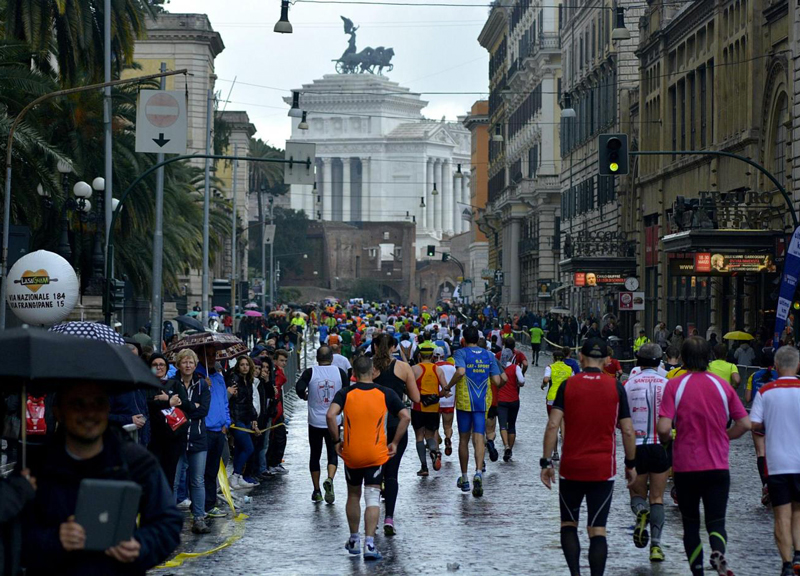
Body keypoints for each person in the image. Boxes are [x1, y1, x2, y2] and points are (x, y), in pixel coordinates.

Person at [22, 382, 182, 575]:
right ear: (58, 411)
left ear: (107, 408)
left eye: (97, 403)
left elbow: (168, 521)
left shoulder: (134, 460)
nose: (89, 413)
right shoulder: (37, 464)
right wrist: (53, 540)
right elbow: (13, 532)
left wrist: (141, 546)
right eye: (78, 405)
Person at [541, 337, 638, 576]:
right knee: (598, 530)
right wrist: (631, 464)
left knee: (568, 524)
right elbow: (627, 429)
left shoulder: (568, 385)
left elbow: (553, 425)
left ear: (581, 358)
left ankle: (575, 573)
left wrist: (545, 462)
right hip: (602, 469)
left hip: (571, 467)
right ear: (607, 360)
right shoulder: (616, 387)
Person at [657, 336, 751, 576]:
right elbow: (744, 423)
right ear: (708, 357)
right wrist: (723, 436)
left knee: (690, 523)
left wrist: (668, 441)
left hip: (686, 467)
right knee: (716, 520)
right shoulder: (722, 385)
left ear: (684, 358)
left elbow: (664, 429)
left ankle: (697, 571)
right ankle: (718, 551)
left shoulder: (675, 385)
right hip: (717, 466)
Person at [326, 355, 411, 561]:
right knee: (372, 496)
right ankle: (370, 544)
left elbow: (330, 415)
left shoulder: (345, 393)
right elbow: (406, 416)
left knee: (353, 495)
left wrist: (336, 441)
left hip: (352, 453)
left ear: (353, 373)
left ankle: (354, 539)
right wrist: (395, 443)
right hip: (375, 453)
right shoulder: (385, 393)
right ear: (374, 371)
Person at [749, 345, 800, 576]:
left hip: (777, 463)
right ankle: (799, 553)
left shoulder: (765, 391)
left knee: (781, 514)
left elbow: (754, 424)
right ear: (798, 365)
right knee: (799, 511)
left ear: (776, 367)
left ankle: (787, 565)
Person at [623, 343, 670, 562]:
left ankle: (641, 512)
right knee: (658, 497)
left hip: (636, 447)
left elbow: (619, 422)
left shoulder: (628, 384)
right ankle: (656, 546)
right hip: (660, 445)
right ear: (660, 361)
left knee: (637, 496)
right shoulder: (667, 384)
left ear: (638, 361)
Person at [443, 326, 501, 498]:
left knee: (463, 439)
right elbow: (497, 381)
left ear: (464, 340)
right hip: (482, 401)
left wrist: (447, 386)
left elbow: (460, 372)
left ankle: (465, 478)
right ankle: (478, 472)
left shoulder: (460, 354)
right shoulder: (489, 355)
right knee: (479, 437)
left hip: (464, 401)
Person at [371, 333, 420, 536]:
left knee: (373, 474)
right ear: (394, 347)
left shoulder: (368, 367)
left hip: (372, 426)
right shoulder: (403, 367)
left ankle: (371, 519)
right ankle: (389, 518)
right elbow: (415, 397)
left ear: (374, 347)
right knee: (392, 473)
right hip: (396, 425)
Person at [295, 346, 349, 503]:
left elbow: (299, 387)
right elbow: (347, 392)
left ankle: (317, 490)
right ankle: (330, 479)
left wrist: (304, 396)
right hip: (334, 420)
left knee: (315, 454)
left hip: (315, 421)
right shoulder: (340, 372)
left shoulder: (310, 372)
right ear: (331, 358)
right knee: (333, 452)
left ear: (317, 359)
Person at [171, 348, 212, 533]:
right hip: (176, 438)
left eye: (191, 362)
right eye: (184, 362)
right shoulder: (172, 384)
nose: (187, 365)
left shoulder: (202, 384)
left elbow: (203, 410)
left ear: (195, 365)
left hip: (198, 437)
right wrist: (189, 407)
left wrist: (183, 408)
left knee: (197, 480)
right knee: (174, 480)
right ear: (178, 364)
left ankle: (199, 518)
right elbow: (170, 411)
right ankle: (169, 520)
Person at [198, 344, 230, 519]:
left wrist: (227, 422)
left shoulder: (218, 376)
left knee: (212, 470)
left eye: (213, 355)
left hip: (219, 430)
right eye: (207, 355)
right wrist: (203, 385)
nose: (211, 358)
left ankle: (210, 504)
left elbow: (224, 402)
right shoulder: (199, 376)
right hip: (205, 430)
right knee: (200, 472)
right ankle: (202, 505)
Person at [745, 349, 778, 505]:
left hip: (758, 419)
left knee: (761, 453)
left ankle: (765, 484)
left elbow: (747, 397)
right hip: (776, 419)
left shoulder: (753, 376)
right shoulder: (779, 376)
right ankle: (775, 484)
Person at [411, 342, 444, 476]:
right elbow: (445, 388)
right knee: (430, 435)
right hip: (433, 408)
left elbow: (409, 387)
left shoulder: (415, 369)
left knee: (419, 436)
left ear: (420, 355)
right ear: (432, 356)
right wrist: (436, 395)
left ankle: (424, 467)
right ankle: (435, 452)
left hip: (418, 406)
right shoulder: (438, 369)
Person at [227, 355, 260, 489]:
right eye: (242, 365)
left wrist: (253, 419)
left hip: (246, 418)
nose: (245, 367)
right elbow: (233, 401)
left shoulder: (249, 381)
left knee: (241, 448)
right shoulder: (234, 380)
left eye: (247, 364)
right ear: (238, 367)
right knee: (248, 447)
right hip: (237, 419)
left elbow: (249, 402)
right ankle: (235, 475)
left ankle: (238, 476)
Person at [497, 358, 524, 462]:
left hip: (502, 400)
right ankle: (510, 451)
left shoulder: (498, 367)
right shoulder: (515, 367)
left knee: (503, 425)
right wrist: (518, 384)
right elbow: (521, 381)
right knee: (512, 425)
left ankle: (506, 445)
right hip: (514, 400)